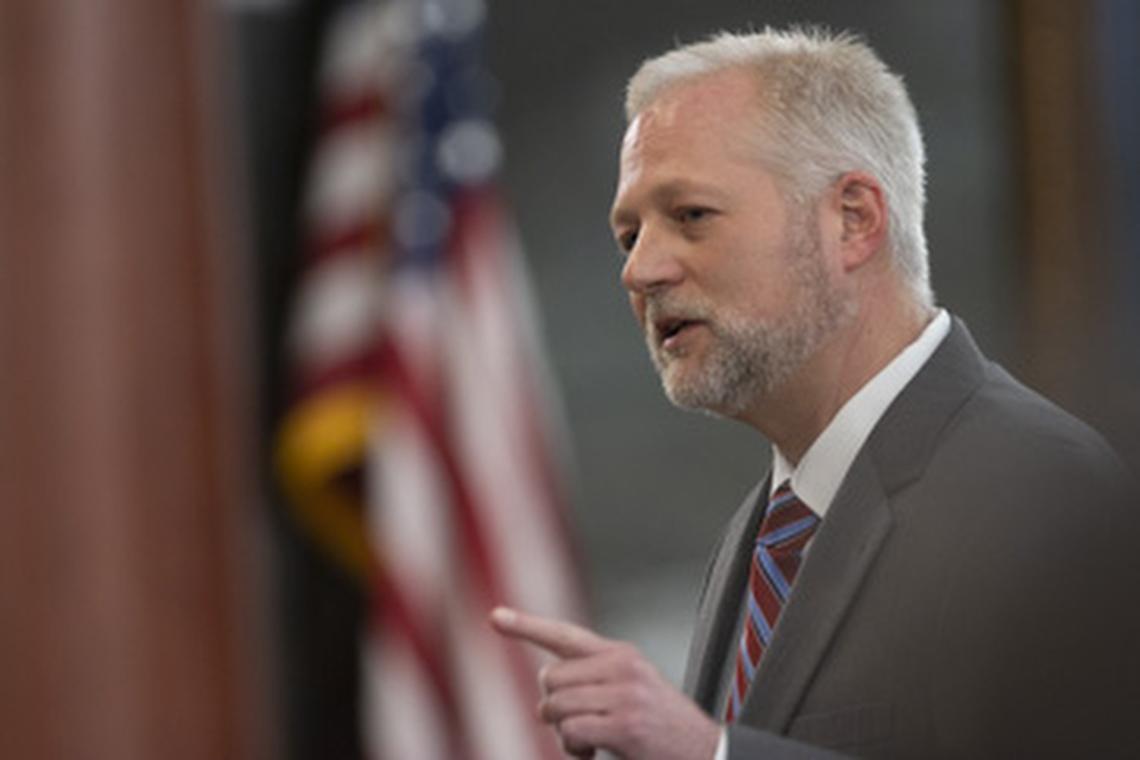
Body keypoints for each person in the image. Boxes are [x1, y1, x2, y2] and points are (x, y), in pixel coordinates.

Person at [491, 27, 1139, 759]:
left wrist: (710, 752)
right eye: (628, 235)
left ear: (853, 219)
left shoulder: (1043, 490)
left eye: (690, 215)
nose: (639, 271)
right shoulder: (764, 533)